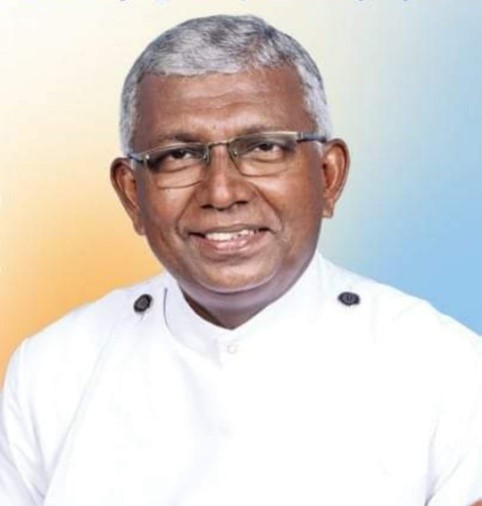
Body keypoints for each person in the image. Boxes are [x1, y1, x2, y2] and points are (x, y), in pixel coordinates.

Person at [1, 14, 481, 506]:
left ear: (328, 176)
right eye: (179, 155)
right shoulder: (53, 372)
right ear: (131, 194)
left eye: (264, 147)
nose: (221, 192)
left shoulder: (447, 372)